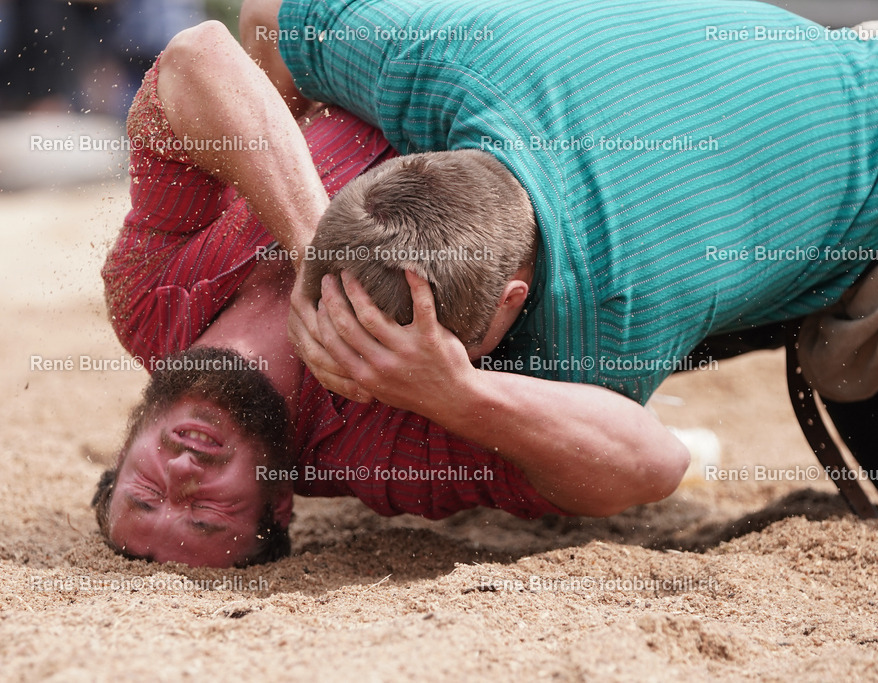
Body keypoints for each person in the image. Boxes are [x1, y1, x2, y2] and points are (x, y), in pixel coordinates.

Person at [262, 0, 878, 578]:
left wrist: (455, 390)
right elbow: (270, 14)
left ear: (511, 304)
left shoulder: (607, 324)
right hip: (831, 95)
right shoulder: (438, 61)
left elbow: (641, 466)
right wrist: (303, 239)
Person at [92, 20, 687, 568]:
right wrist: (460, 393)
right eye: (204, 516)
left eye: (144, 497)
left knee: (269, 18)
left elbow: (198, 56)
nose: (182, 476)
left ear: (121, 458)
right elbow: (654, 465)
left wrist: (315, 251)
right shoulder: (379, 456)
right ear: (278, 504)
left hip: (429, 53)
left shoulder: (149, 299)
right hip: (570, 143)